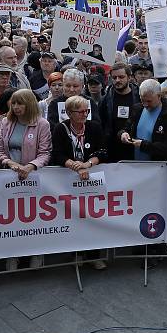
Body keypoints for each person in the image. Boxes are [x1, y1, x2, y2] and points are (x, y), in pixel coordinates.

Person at [0, 89, 52, 270]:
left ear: (30, 104)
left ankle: (37, 253)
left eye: (20, 103)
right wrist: (10, 163)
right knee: (11, 220)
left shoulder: (42, 124)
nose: (16, 107)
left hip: (33, 178)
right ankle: (13, 255)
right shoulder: (6, 122)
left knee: (34, 220)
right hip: (10, 177)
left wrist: (30, 166)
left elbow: (45, 153)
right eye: (14, 103)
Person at [49, 94, 107, 270]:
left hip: (91, 180)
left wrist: (88, 164)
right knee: (73, 217)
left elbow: (103, 151)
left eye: (86, 111)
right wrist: (73, 165)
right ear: (69, 113)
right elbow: (57, 154)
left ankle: (93, 256)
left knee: (92, 218)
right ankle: (75, 254)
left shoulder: (94, 127)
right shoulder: (60, 129)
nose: (84, 114)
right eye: (80, 111)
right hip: (69, 180)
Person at [118, 79, 167, 161]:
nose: (145, 104)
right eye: (142, 100)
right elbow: (126, 128)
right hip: (135, 163)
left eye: (149, 101)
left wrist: (143, 145)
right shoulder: (138, 109)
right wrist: (123, 134)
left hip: (158, 165)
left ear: (159, 96)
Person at [100, 63, 139, 162]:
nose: (117, 80)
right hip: (112, 149)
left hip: (135, 147)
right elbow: (101, 123)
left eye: (121, 77)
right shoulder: (105, 100)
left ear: (129, 77)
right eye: (114, 77)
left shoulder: (139, 97)